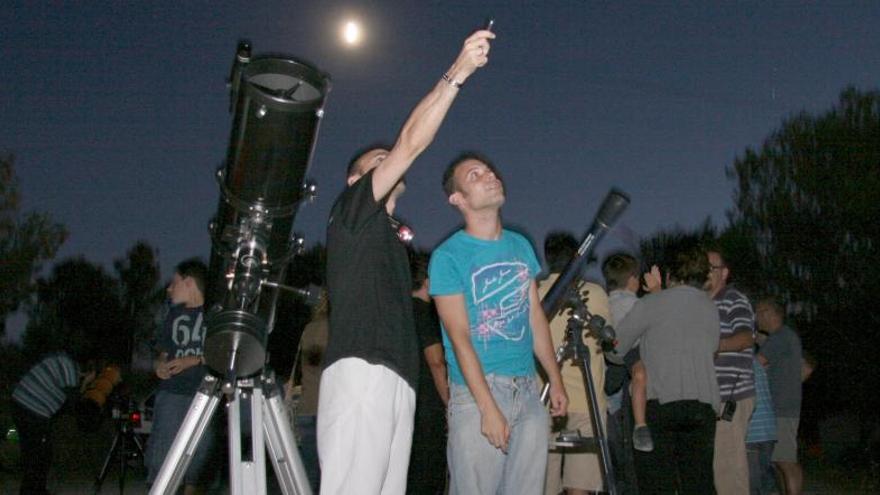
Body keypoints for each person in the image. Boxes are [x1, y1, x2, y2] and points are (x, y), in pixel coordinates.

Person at [318, 28, 494, 495]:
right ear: (356, 179)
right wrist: (458, 72)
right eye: (380, 161)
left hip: (398, 379)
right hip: (362, 371)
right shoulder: (352, 210)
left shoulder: (392, 240)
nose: (392, 163)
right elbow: (411, 142)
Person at [429, 153, 568, 495]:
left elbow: (535, 316)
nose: (490, 176)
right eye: (475, 175)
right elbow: (459, 337)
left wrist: (555, 378)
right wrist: (487, 406)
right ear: (458, 198)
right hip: (478, 393)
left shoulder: (520, 245)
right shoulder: (448, 256)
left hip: (528, 392)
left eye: (490, 170)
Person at [612, 246, 720, 494]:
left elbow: (616, 347)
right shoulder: (709, 307)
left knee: (657, 482)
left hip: (660, 402)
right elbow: (713, 347)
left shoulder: (651, 303)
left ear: (670, 274)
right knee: (699, 482)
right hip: (702, 406)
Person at [540, 231, 611, 495]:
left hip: (544, 401)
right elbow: (606, 340)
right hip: (585, 402)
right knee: (579, 488)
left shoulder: (535, 294)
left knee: (542, 486)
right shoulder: (593, 292)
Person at [145, 258, 215, 495]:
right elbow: (163, 353)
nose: (169, 289)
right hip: (172, 394)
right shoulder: (172, 315)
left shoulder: (215, 314)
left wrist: (194, 360)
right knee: (162, 461)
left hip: (204, 394)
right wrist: (159, 364)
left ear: (189, 282)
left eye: (173, 283)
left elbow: (225, 353)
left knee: (197, 463)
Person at [705, 247, 757, 495]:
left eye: (711, 268)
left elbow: (747, 337)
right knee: (717, 468)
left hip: (732, 395)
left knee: (728, 469)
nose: (705, 272)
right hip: (711, 397)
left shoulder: (733, 298)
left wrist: (715, 346)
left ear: (724, 272)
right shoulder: (704, 304)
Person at [11, 351, 95, 494]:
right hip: (31, 410)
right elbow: (73, 404)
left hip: (22, 405)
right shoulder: (70, 368)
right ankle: (30, 491)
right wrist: (85, 383)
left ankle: (37, 490)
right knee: (38, 456)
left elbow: (62, 405)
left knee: (38, 454)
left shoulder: (64, 361)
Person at [406, 251, 449, 494]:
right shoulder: (423, 313)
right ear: (428, 281)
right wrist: (449, 404)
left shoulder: (400, 312)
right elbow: (436, 362)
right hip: (428, 407)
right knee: (429, 476)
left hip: (406, 403)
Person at [602, 252, 654, 453]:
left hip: (611, 359)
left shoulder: (605, 302)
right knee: (639, 376)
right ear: (633, 279)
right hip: (632, 351)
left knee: (614, 405)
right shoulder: (635, 303)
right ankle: (640, 427)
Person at [756, 298, 804, 495]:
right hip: (782, 407)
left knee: (786, 461)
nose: (755, 318)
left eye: (758, 313)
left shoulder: (780, 337)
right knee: (779, 462)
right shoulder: (783, 337)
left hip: (782, 408)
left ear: (769, 312)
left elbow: (756, 363)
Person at [285, 289, 329, 492]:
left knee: (307, 476)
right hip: (327, 409)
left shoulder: (308, 330)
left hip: (306, 407)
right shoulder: (334, 329)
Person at [745, 354, 776, 495]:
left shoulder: (739, 365)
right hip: (768, 429)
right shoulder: (759, 365)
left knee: (753, 479)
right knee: (765, 474)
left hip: (752, 431)